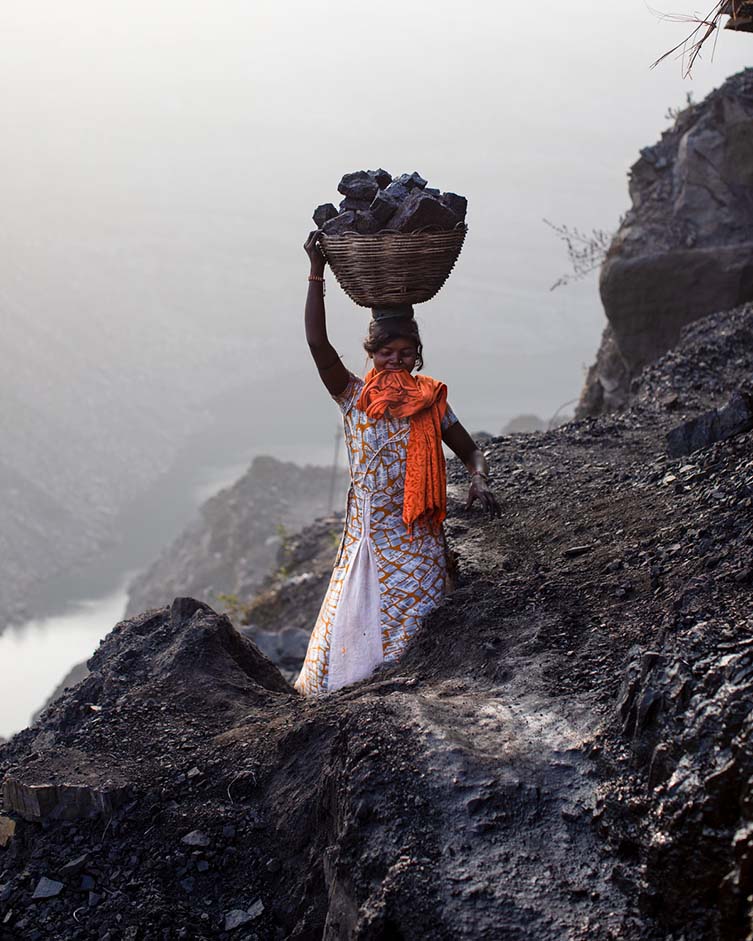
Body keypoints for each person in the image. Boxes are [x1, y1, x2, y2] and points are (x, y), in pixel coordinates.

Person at [294, 230, 500, 697]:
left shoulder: (431, 402)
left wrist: (479, 480)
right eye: (386, 352)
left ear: (417, 355)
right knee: (354, 628)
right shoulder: (353, 398)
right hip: (369, 538)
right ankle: (353, 696)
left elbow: (470, 450)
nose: (396, 360)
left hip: (418, 536)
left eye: (405, 353)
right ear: (370, 354)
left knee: (418, 628)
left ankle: (407, 698)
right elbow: (316, 343)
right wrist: (316, 271)